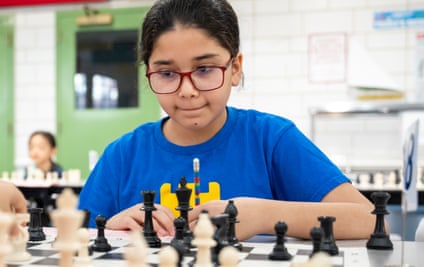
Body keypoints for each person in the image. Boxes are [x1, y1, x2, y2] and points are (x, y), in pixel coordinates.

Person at [78, 0, 375, 241]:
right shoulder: (122, 155)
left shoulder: (270, 139)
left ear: (235, 68)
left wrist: (264, 215)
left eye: (205, 69)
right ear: (148, 73)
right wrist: (110, 229)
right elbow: (70, 238)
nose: (187, 91)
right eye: (167, 74)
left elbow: (372, 220)